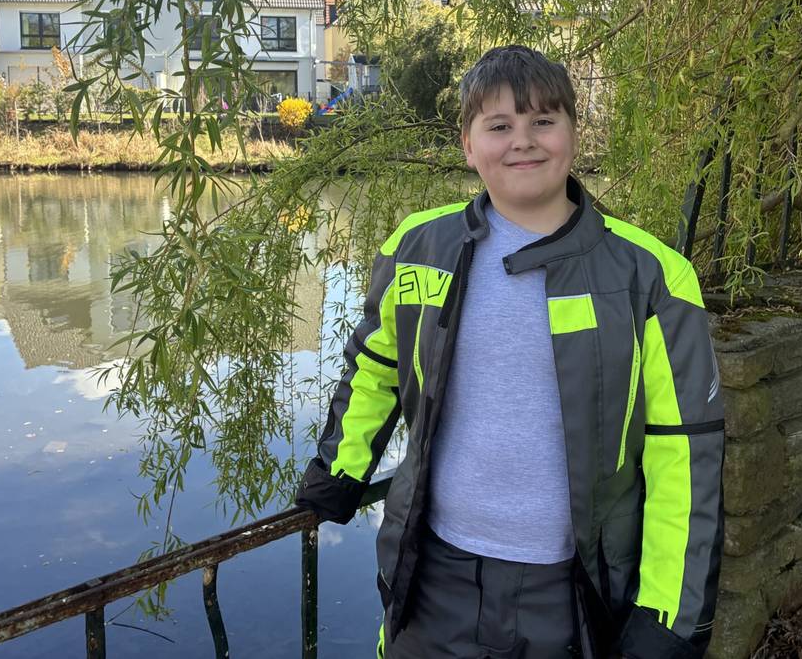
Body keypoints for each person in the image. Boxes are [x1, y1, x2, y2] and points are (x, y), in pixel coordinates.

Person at [295, 45, 724, 659]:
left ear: (573, 134)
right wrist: (340, 467)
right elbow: (376, 368)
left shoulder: (652, 275)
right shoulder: (416, 247)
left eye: (543, 120)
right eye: (498, 126)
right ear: (468, 146)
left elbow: (684, 452)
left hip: (575, 592)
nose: (523, 141)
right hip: (432, 578)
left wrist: (670, 616)